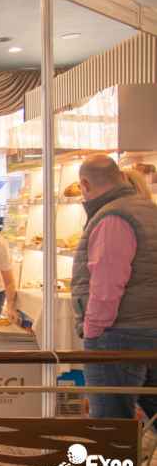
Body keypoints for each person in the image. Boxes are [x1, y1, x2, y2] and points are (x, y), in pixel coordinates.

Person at [72, 154, 157, 421]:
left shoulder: (114, 217)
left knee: (110, 424)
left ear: (85, 184)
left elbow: (107, 286)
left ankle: (115, 452)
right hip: (147, 328)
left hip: (119, 334)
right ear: (120, 176)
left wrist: (92, 332)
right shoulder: (148, 210)